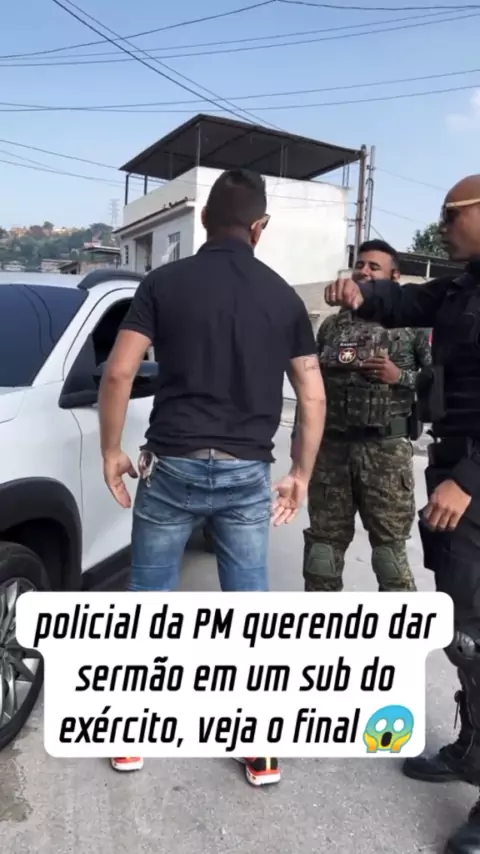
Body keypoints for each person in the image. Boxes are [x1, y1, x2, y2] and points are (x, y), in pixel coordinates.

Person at [98, 168, 326, 787]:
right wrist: (300, 473)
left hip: (171, 462)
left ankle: (129, 736)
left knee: (148, 598)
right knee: (249, 608)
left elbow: (118, 372)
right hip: (247, 469)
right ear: (260, 227)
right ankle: (260, 746)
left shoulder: (163, 283)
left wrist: (111, 450)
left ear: (202, 221)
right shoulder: (283, 297)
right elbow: (311, 394)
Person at [324, 174, 480, 854]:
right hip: (451, 467)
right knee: (464, 631)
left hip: (470, 477)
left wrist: (469, 480)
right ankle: (471, 749)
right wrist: (363, 293)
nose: (441, 226)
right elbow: (407, 299)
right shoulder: (462, 286)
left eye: (451, 215)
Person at [292, 239, 431, 593]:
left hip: (385, 455)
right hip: (332, 454)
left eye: (374, 267)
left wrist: (399, 376)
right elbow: (312, 390)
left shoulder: (412, 326)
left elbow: (438, 382)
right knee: (321, 555)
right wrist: (300, 451)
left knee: (389, 559)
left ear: (394, 277)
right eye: (360, 265)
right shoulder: (331, 327)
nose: (364, 271)